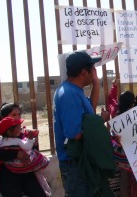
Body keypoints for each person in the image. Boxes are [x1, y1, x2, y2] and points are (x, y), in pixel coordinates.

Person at [53, 51, 114, 197]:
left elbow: (89, 114)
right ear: (83, 72)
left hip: (79, 162)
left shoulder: (73, 90)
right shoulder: (69, 95)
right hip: (74, 165)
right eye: (92, 68)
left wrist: (96, 84)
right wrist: (100, 122)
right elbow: (76, 134)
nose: (94, 70)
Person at [0, 103, 47, 197]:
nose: (17, 118)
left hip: (27, 174)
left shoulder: (24, 133)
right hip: (8, 177)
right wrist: (16, 154)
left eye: (19, 114)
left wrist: (32, 143)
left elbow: (32, 152)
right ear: (4, 118)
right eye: (14, 115)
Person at [110, 90, 137, 197]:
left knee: (124, 182)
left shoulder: (116, 115)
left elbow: (114, 134)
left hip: (120, 157)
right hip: (132, 156)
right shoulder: (135, 115)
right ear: (132, 102)